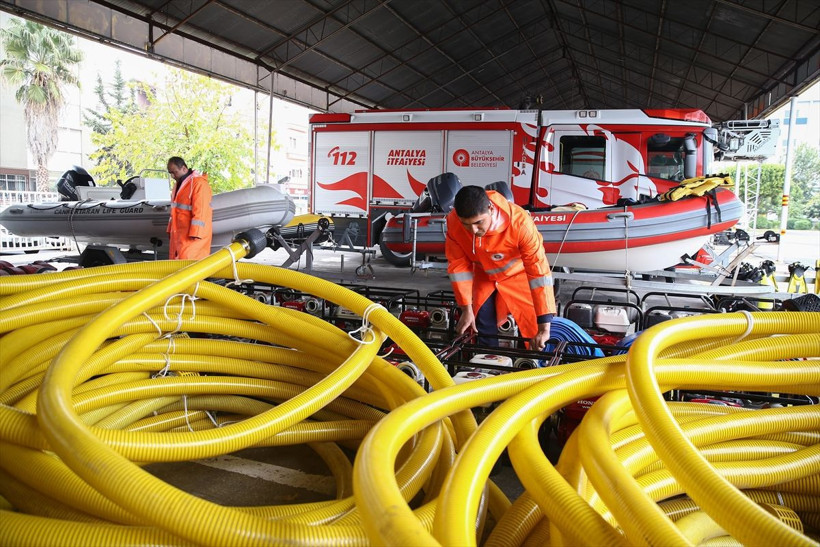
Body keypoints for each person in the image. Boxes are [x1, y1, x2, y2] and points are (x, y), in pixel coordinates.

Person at [445, 185, 557, 350]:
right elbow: (458, 267)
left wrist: (545, 326)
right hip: (483, 276)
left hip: (518, 276)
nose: (473, 230)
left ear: (490, 208)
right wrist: (465, 308)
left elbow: (538, 271)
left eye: (478, 222)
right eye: (466, 225)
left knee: (535, 332)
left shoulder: (520, 224)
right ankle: (486, 366)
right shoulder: (454, 222)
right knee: (480, 324)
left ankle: (532, 367)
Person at [166, 156, 213, 260]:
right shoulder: (178, 185)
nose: (173, 176)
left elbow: (201, 210)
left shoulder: (199, 184)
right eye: (170, 173)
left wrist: (196, 233)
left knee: (189, 266)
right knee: (178, 265)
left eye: (175, 172)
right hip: (179, 235)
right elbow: (174, 211)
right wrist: (170, 229)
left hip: (192, 236)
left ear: (184, 168)